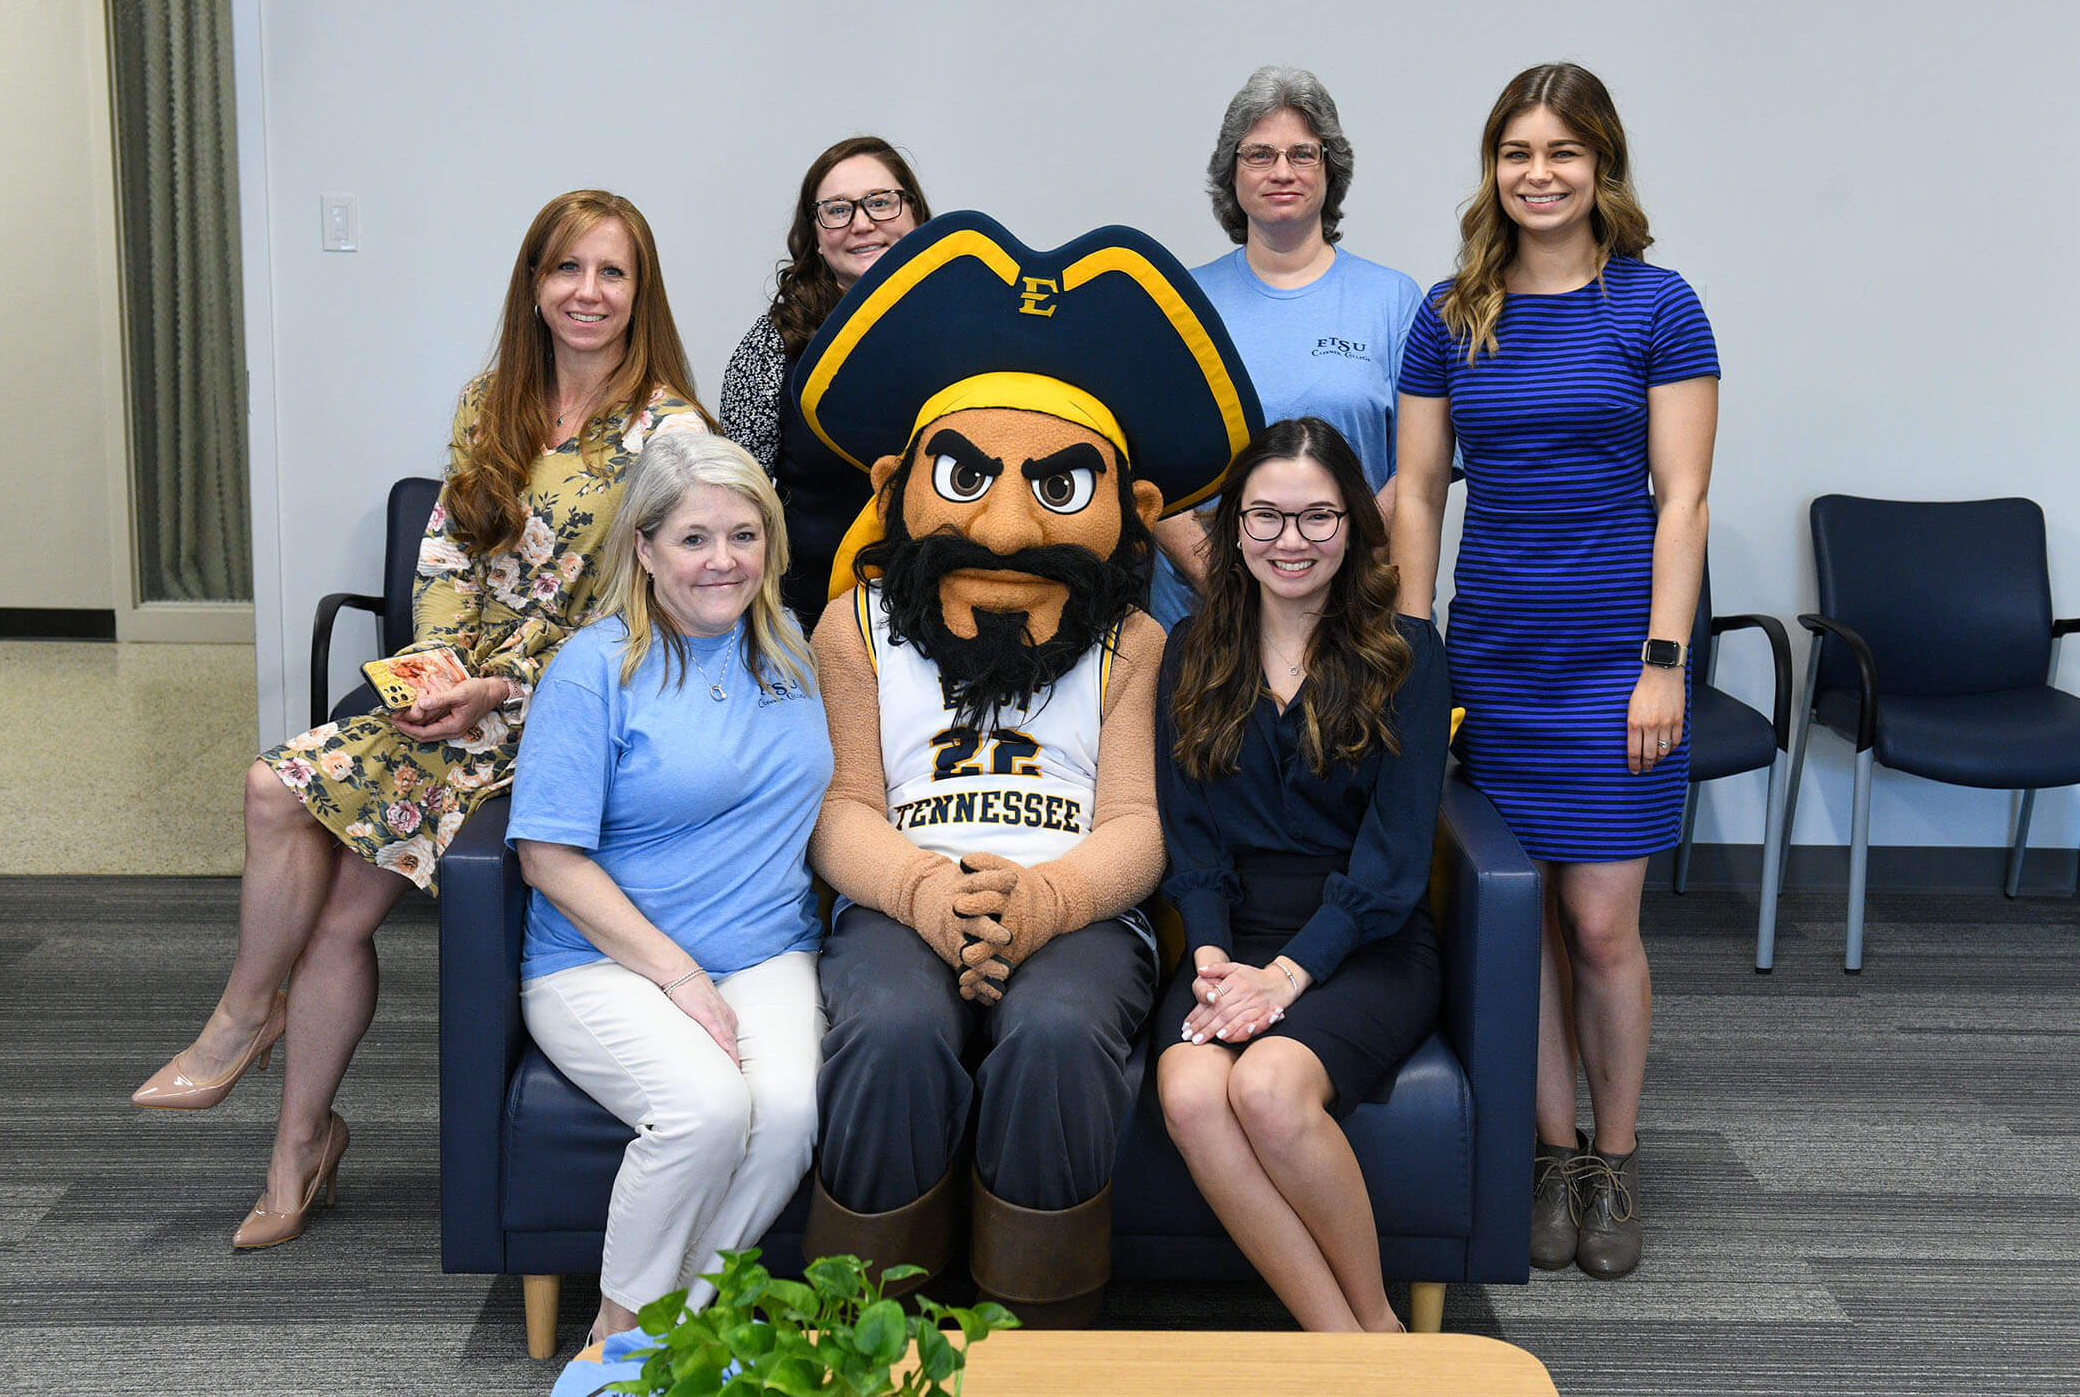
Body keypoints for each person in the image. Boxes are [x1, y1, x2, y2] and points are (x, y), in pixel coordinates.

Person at [132, 189, 714, 1251]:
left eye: (611, 272)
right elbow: (449, 549)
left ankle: (263, 1069)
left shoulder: (667, 431)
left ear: (641, 293)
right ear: (533, 285)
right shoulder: (491, 398)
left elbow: (634, 608)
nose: (587, 292)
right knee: (294, 828)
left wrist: (493, 690)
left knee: (324, 871)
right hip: (452, 697)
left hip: (560, 705)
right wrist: (435, 666)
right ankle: (280, 1090)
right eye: (565, 269)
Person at [792, 211, 1259, 1326]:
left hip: (1079, 909)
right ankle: (862, 1327)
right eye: (962, 477)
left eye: (1056, 488)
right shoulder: (853, 626)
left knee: (1056, 1035)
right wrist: (923, 892)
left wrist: (1043, 901)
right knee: (894, 1031)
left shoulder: (1134, 643)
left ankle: (1035, 1329)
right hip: (901, 900)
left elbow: (1140, 826)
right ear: (900, 483)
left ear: (1133, 514)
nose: (1002, 529)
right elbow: (841, 806)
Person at [1388, 62, 1720, 1280]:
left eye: (1563, 152)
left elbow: (1681, 498)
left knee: (1600, 924)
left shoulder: (1656, 305)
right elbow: (1418, 490)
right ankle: (1546, 1148)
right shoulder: (1452, 312)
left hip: (1615, 662)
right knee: (1520, 921)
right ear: (1493, 168)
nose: (1539, 173)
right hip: (1496, 659)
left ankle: (1613, 1157)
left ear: (1601, 167)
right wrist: (1417, 647)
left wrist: (1665, 662)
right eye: (1518, 151)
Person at [509, 432, 830, 1344]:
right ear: (644, 550)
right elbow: (548, 858)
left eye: (744, 534)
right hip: (601, 962)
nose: (722, 560)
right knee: (706, 1108)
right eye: (693, 538)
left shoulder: (793, 652)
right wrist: (679, 976)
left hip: (766, 949)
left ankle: (679, 1327)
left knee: (790, 1114)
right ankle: (618, 1327)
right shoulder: (593, 668)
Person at [1154, 417, 1447, 1331]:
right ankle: (1344, 1344)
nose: (1291, 541)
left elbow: (1396, 858)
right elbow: (1190, 838)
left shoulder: (1407, 653)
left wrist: (1286, 975)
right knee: (1194, 1094)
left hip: (1364, 939)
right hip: (1231, 932)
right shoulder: (1189, 652)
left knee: (1269, 1089)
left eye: (1318, 518)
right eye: (1267, 518)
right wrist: (1209, 958)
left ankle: (1380, 1328)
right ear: (1233, 529)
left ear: (1355, 526)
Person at [1148, 66, 1424, 631]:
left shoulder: (1393, 299)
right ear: (1231, 171)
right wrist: (1228, 582)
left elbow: (1424, 464)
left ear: (1330, 169)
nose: (1282, 172)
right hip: (1206, 623)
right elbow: (1145, 469)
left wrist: (1330, 564)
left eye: (1303, 154)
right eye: (1259, 155)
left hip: (1355, 622)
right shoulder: (1179, 302)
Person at [720, 136, 932, 624]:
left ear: (916, 213)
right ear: (815, 234)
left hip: (949, 616)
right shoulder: (773, 344)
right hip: (809, 622)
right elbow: (733, 498)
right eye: (837, 210)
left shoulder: (969, 329)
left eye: (881, 203)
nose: (861, 223)